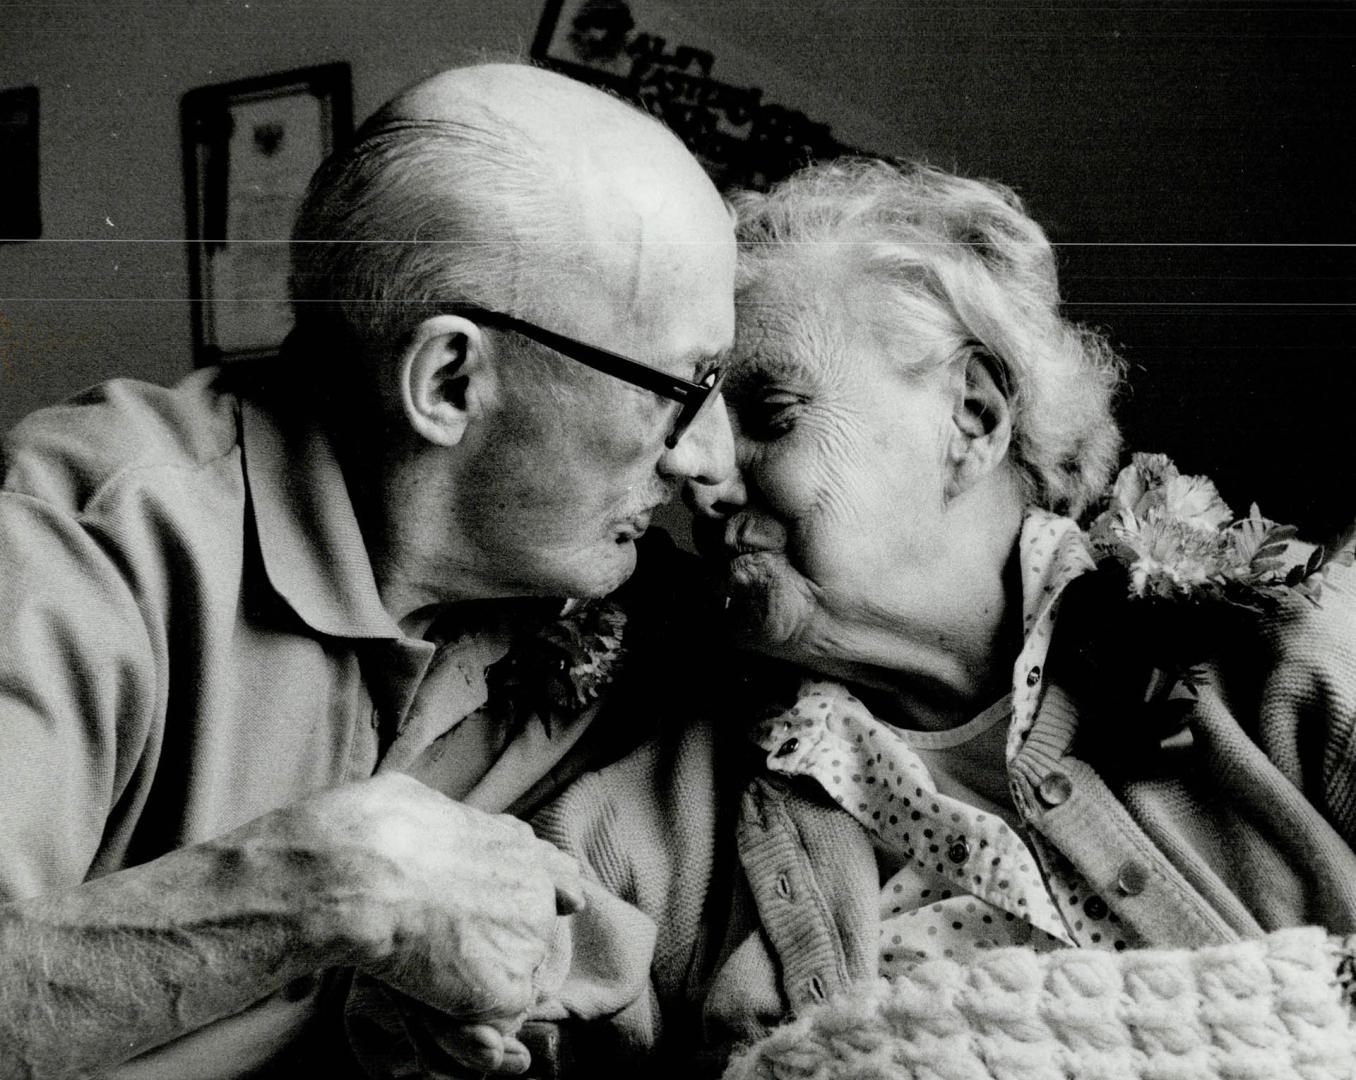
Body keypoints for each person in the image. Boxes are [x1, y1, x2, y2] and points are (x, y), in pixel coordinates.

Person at [504, 158, 1356, 1075]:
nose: (694, 467)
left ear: (973, 414)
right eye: (689, 419)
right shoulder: (650, 818)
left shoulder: (1283, 657)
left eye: (770, 409)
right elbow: (481, 1014)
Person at [0, 62, 737, 1078]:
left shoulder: (583, 591)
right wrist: (337, 883)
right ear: (448, 381)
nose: (709, 460)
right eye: (682, 390)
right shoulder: (83, 538)